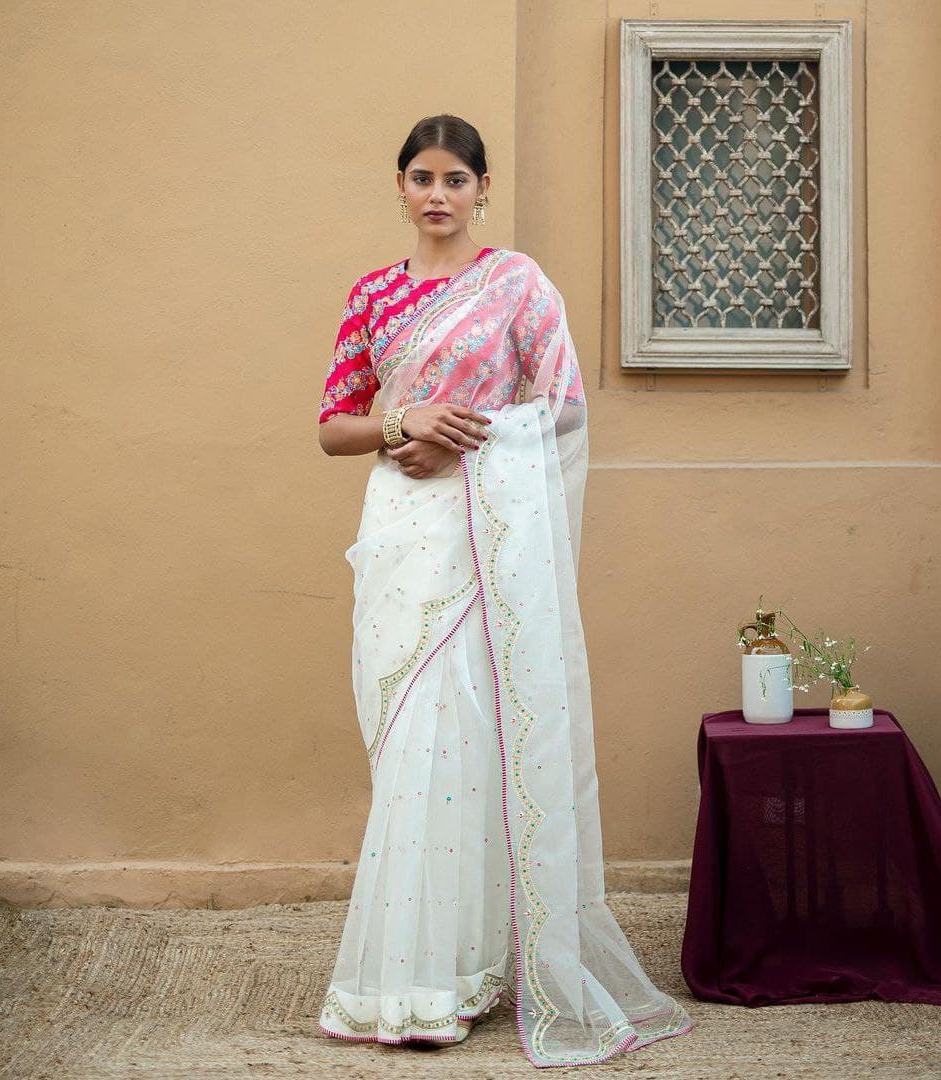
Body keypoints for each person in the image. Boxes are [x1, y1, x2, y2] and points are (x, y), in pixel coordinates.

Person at [315, 114, 694, 1067]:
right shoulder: (371, 296)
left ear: (484, 189)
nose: (437, 195)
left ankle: (456, 973)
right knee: (409, 745)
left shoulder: (518, 285)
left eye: (454, 179)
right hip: (404, 537)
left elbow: (562, 412)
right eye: (419, 178)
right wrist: (405, 417)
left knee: (468, 744)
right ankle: (407, 974)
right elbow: (332, 424)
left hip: (487, 541)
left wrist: (466, 437)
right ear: (398, 187)